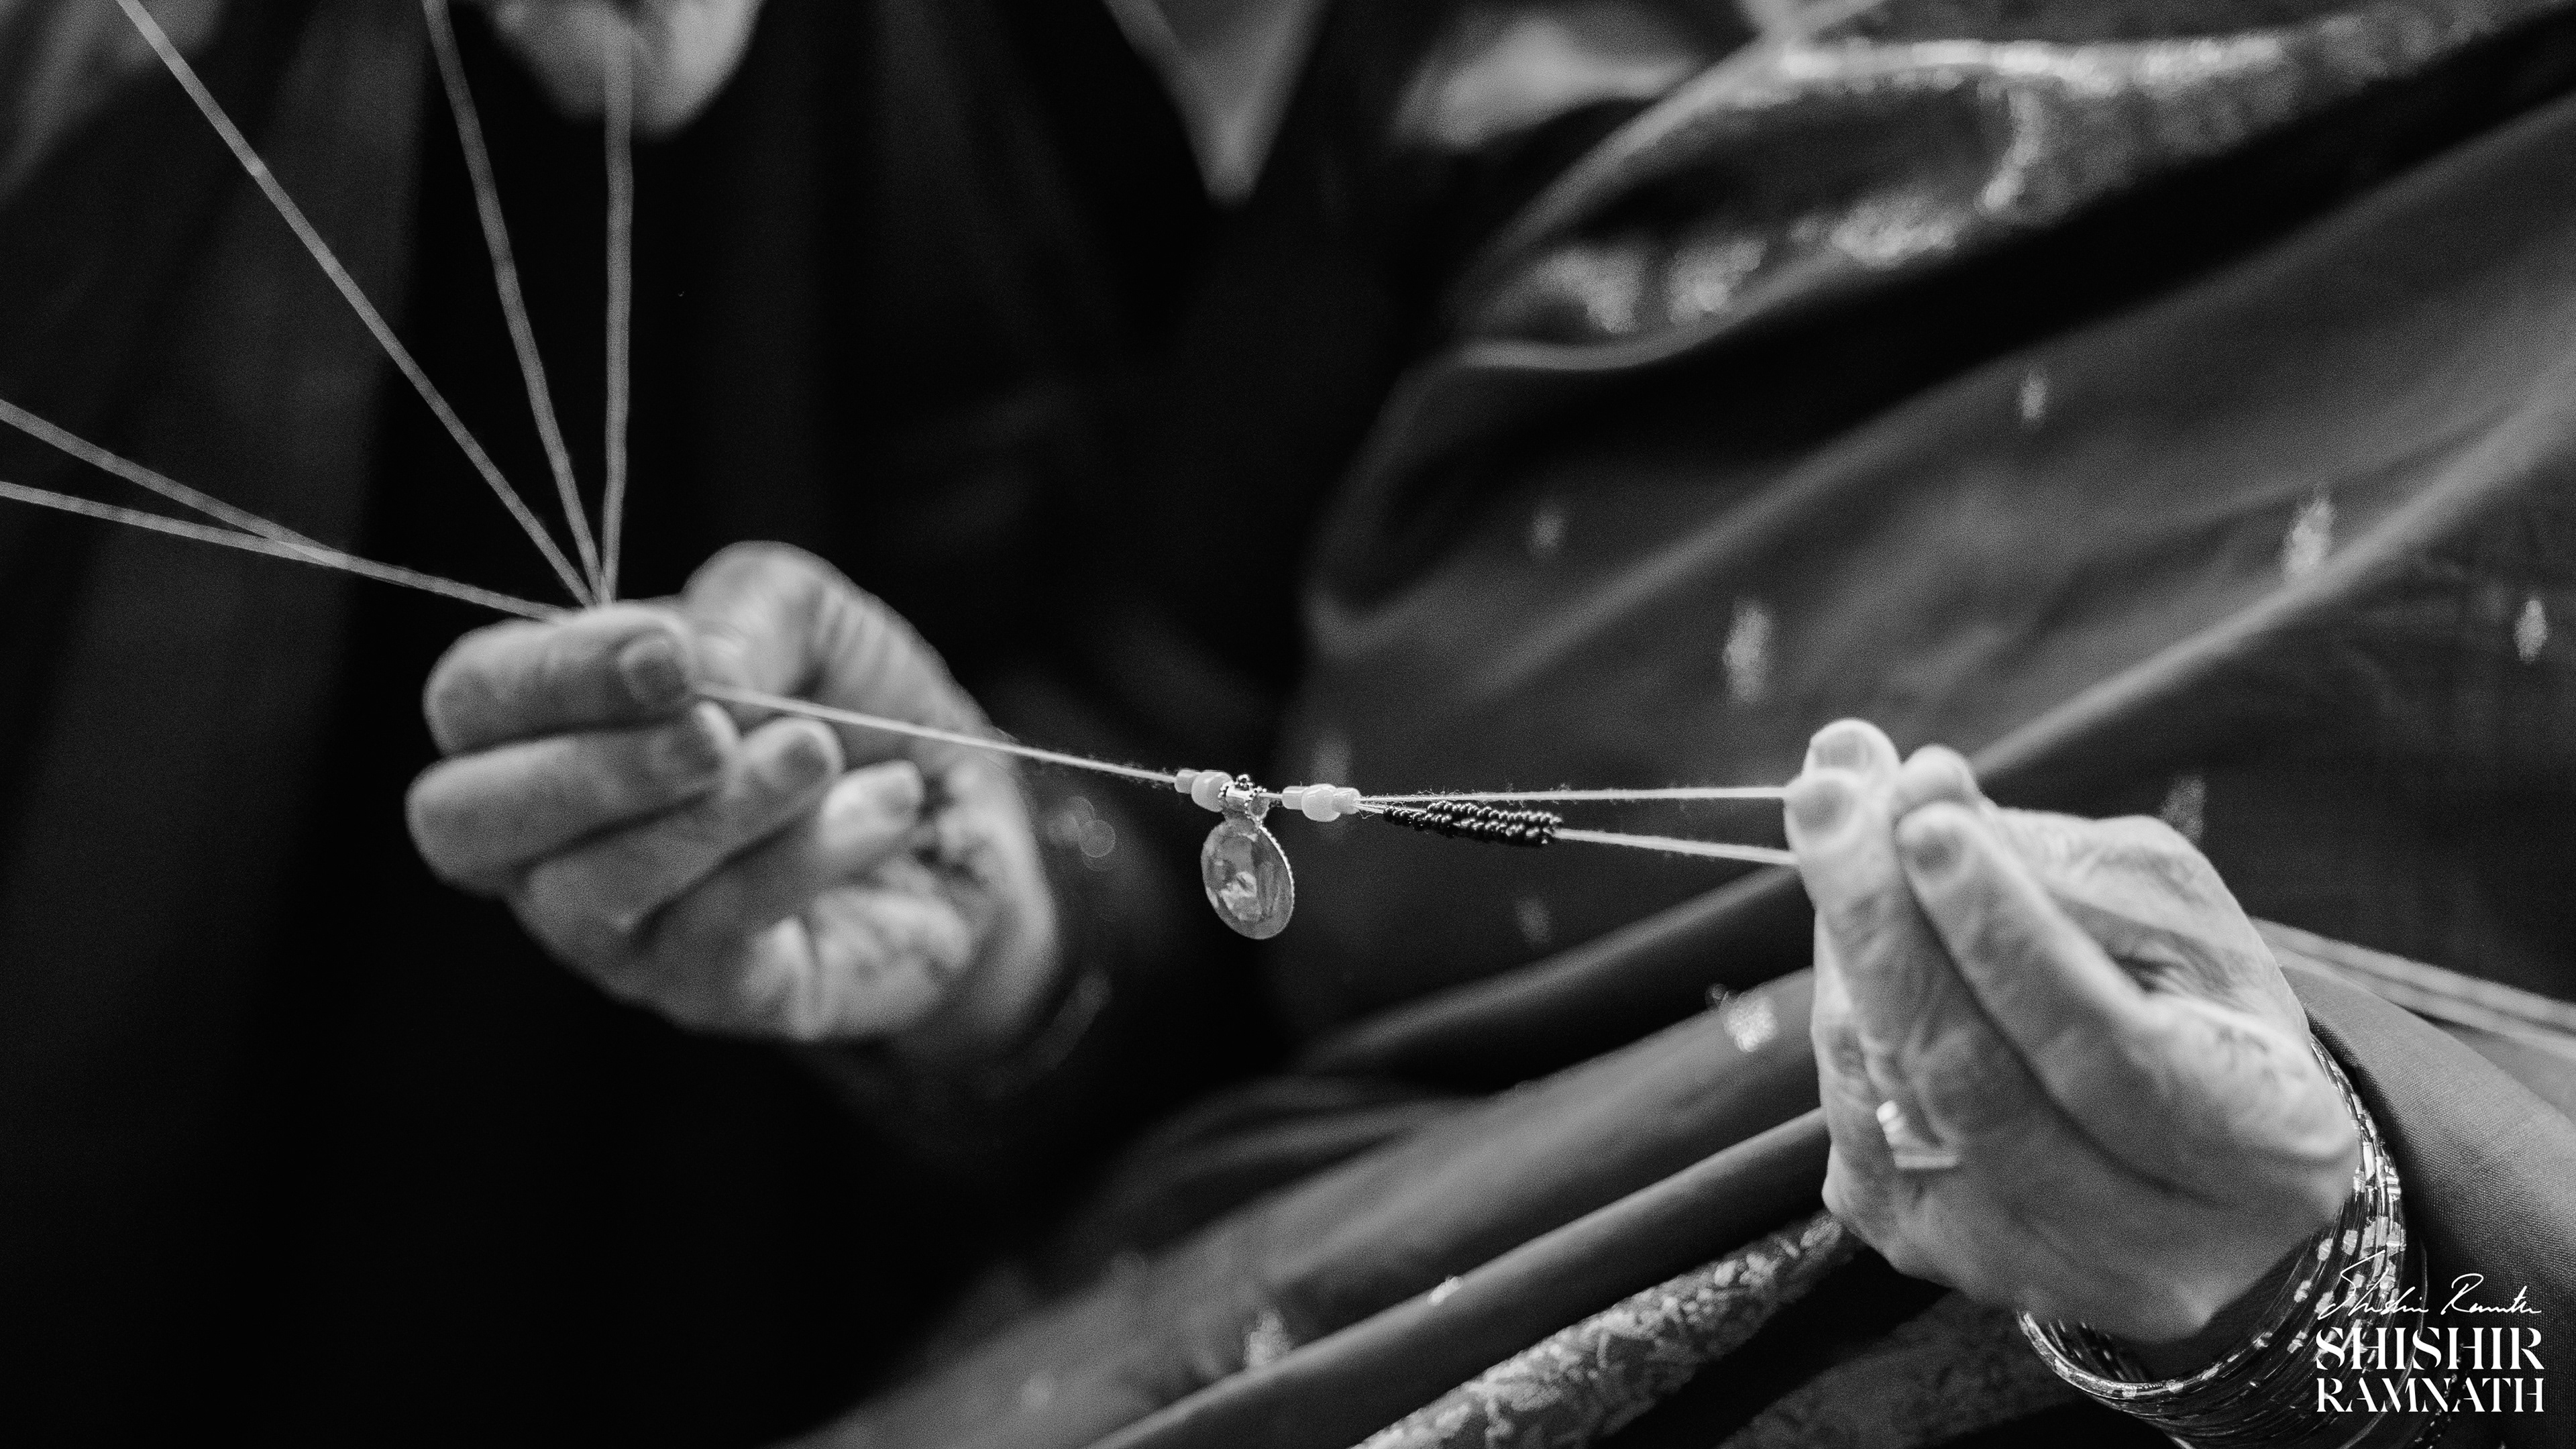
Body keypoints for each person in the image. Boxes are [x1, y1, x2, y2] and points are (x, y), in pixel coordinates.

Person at [409, 0, 2576, 1446]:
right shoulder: (1507, 40)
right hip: (1174, 1329)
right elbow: (1185, 796)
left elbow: (2476, 1362)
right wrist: (1007, 935)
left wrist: (2308, 1297)